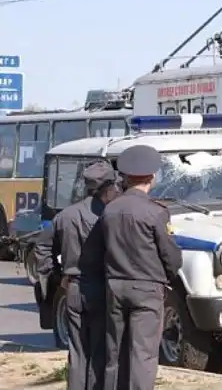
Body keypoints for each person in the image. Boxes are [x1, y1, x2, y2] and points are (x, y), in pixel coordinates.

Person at [101, 144, 183, 390]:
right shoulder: (156, 212)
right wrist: (168, 277)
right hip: (147, 289)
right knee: (143, 353)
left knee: (114, 351)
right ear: (152, 177)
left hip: (115, 286)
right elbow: (170, 255)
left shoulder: (110, 209)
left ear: (125, 177)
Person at [35, 161, 121, 390]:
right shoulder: (109, 216)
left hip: (72, 287)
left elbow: (42, 246)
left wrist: (55, 274)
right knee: (99, 349)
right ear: (107, 189)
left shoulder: (66, 215)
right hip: (101, 288)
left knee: (77, 350)